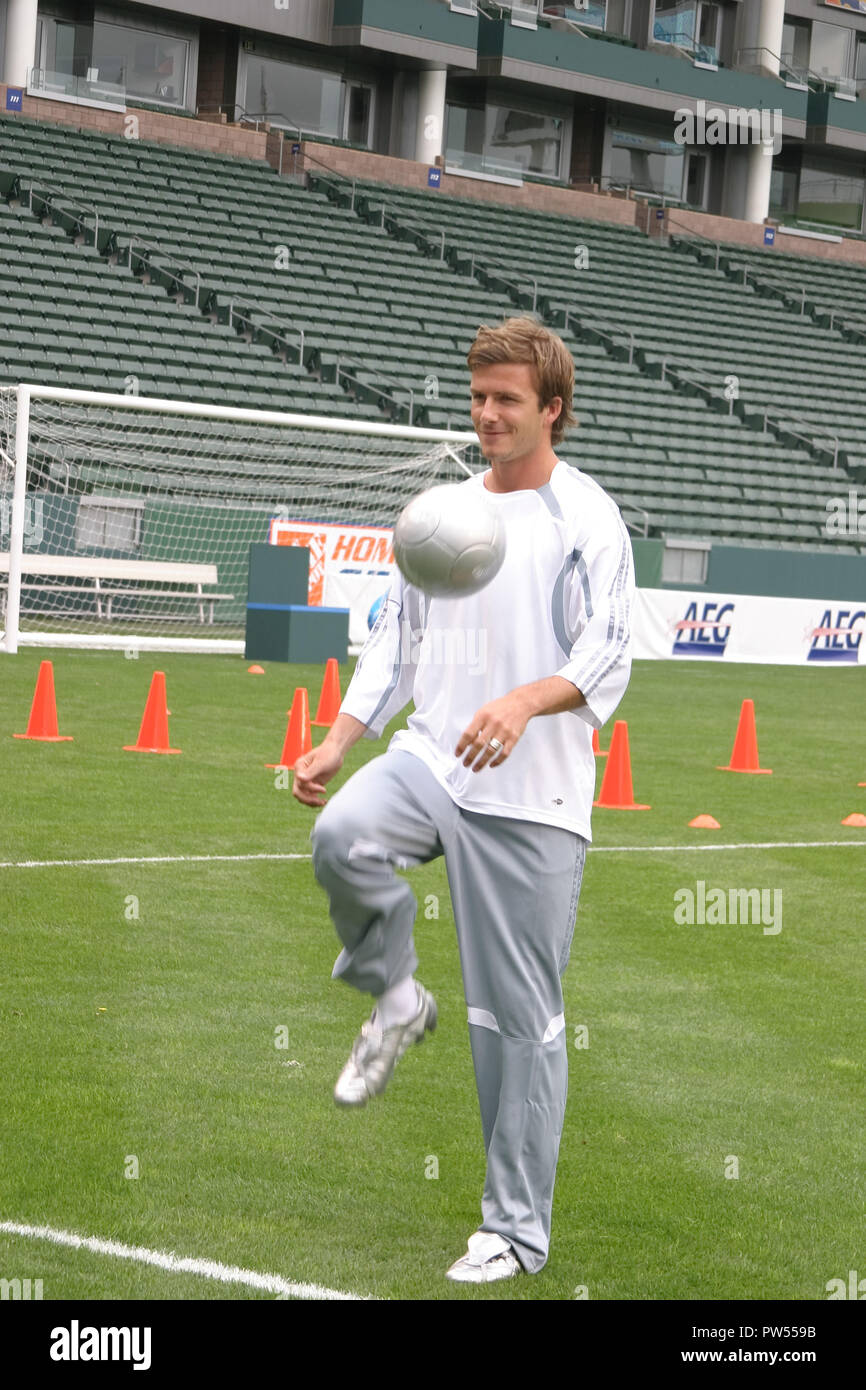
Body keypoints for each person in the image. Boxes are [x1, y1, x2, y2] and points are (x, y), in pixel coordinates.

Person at [292, 316, 634, 1284]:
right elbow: (393, 642)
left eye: (506, 401)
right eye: (477, 397)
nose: (485, 414)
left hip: (534, 796)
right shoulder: (438, 510)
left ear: (551, 410)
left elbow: (607, 653)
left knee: (514, 1023)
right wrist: (336, 740)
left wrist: (524, 700)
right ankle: (395, 997)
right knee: (342, 836)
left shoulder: (587, 519)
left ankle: (514, 1231)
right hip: (434, 760)